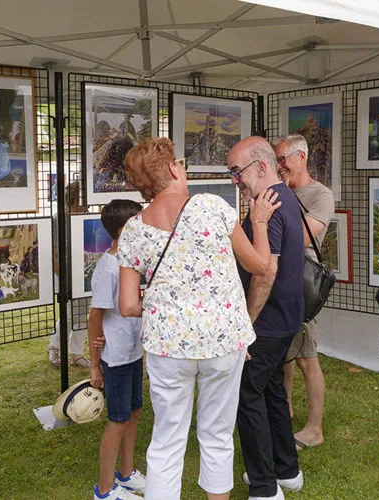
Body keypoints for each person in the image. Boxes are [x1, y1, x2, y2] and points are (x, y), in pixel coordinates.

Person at [118, 137, 279, 500]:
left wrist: (168, 304)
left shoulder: (132, 229)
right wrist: (260, 223)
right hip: (223, 339)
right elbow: (260, 266)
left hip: (167, 345)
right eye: (181, 162)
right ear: (174, 169)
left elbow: (127, 305)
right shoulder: (212, 206)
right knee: (218, 434)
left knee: (167, 438)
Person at [229, 136, 304, 500]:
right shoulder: (286, 195)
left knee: (248, 395)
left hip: (267, 322)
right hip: (285, 318)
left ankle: (264, 486)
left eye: (236, 171)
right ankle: (286, 469)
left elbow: (265, 272)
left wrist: (246, 325)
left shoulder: (267, 202)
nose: (234, 180)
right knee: (272, 390)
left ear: (260, 167)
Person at [271, 134, 334, 451]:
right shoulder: (277, 192)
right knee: (284, 356)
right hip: (277, 282)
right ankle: (286, 411)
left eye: (283, 159)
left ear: (301, 158)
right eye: (276, 160)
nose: (279, 166)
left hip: (301, 286)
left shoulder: (320, 194)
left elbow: (302, 240)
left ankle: (314, 428)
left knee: (307, 357)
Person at [88, 199, 145, 500]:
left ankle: (126, 473)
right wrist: (95, 364)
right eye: (140, 220)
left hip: (133, 351)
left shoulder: (128, 261)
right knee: (118, 419)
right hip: (116, 357)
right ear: (126, 229)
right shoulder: (108, 268)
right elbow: (95, 316)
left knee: (133, 411)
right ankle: (105, 490)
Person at [48, 181, 90, 368]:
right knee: (67, 314)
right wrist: (63, 278)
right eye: (83, 204)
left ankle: (77, 354)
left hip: (84, 272)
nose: (86, 208)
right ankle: (54, 347)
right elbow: (54, 254)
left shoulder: (86, 217)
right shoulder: (58, 220)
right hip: (65, 274)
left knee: (81, 314)